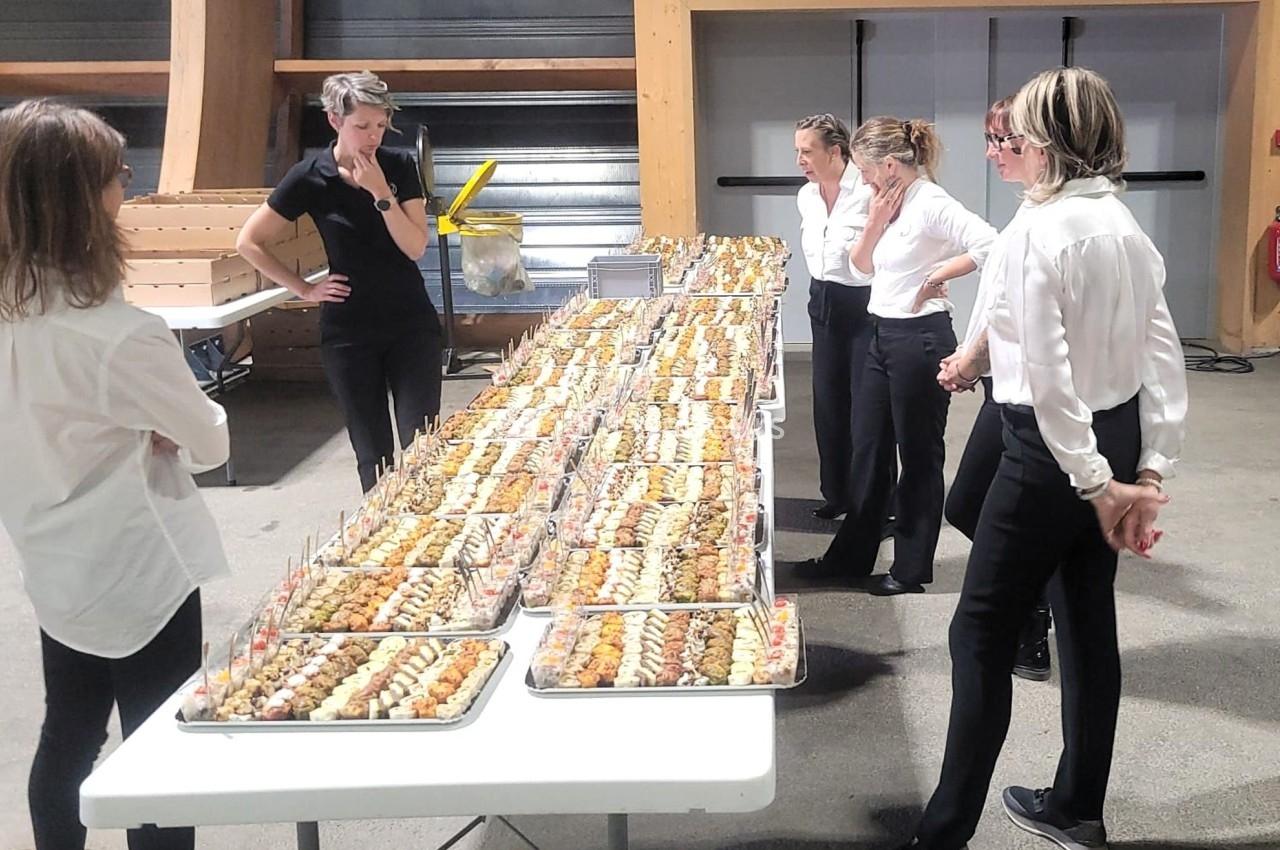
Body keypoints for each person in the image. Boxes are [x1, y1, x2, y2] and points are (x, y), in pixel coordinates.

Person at [902, 67, 1188, 850]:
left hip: (1055, 451)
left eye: (1019, 132)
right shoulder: (1124, 225)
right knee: (1087, 620)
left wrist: (1100, 484)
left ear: (1050, 143)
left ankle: (942, 834)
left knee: (980, 634)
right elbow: (1162, 357)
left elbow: (1048, 379)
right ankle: (1076, 807)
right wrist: (1149, 467)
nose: (1010, 144)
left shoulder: (1039, 231)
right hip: (1114, 433)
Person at [0, 100, 230, 850]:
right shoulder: (121, 336)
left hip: (51, 561)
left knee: (67, 731)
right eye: (115, 177)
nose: (124, 191)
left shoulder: (18, 312)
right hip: (139, 569)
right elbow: (210, 442)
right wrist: (156, 425)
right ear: (78, 200)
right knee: (159, 749)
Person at [796, 117, 996, 595]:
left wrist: (939, 273)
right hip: (881, 333)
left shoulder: (930, 202)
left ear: (888, 165)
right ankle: (851, 555)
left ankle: (910, 568)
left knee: (919, 454)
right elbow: (861, 265)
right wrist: (873, 224)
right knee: (868, 448)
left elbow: (993, 244)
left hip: (920, 340)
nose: (861, 179)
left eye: (865, 170)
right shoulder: (889, 202)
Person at [239, 71, 441, 493]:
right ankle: (383, 548)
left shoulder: (400, 164)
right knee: (373, 456)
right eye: (362, 126)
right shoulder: (311, 174)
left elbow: (415, 246)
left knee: (424, 447)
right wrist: (304, 289)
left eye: (382, 126)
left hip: (411, 323)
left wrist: (381, 193)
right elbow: (249, 242)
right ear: (335, 121)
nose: (374, 137)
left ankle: (427, 537)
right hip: (349, 331)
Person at [939, 96, 1053, 682]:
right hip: (1001, 385)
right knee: (965, 505)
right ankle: (1034, 603)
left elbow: (1013, 311)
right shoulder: (1027, 212)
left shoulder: (1047, 220)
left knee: (972, 507)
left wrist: (968, 361)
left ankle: (1031, 620)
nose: (991, 152)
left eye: (1000, 139)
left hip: (1028, 398)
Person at [794, 113, 878, 520]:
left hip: (864, 303)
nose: (800, 160)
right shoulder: (806, 196)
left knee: (865, 406)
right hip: (823, 299)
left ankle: (871, 502)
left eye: (807, 151)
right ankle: (837, 493)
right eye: (798, 152)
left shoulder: (867, 190)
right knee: (828, 401)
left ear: (836, 151)